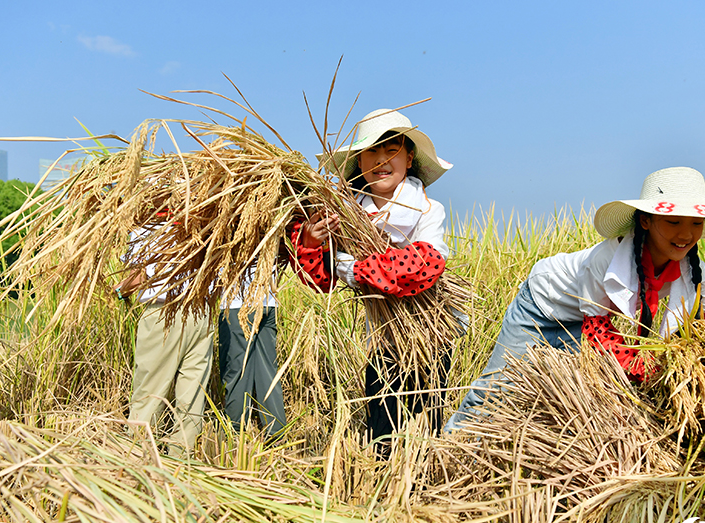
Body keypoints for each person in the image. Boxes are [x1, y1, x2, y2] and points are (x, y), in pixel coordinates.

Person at [445, 167, 705, 431]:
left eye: (695, 223)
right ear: (646, 220)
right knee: (498, 387)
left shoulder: (693, 268)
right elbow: (599, 335)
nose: (686, 234)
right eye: (674, 221)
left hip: (586, 320)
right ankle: (446, 450)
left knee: (563, 401)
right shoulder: (607, 258)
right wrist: (651, 369)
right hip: (542, 306)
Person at [291, 108, 454, 454]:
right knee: (382, 431)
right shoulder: (345, 215)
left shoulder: (427, 210)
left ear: (409, 159)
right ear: (359, 161)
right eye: (372, 151)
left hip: (428, 338)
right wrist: (312, 241)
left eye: (391, 149)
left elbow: (426, 263)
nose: (382, 159)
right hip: (381, 341)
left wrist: (358, 271)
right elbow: (319, 280)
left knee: (426, 428)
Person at [118, 222, 215, 457]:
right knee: (192, 396)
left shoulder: (148, 228)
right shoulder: (208, 220)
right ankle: (181, 462)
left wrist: (119, 291)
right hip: (201, 312)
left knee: (150, 391)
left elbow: (141, 277)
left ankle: (138, 458)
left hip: (164, 313)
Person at [218, 267, 284, 437]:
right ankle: (276, 436)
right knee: (268, 372)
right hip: (268, 303)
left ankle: (234, 436)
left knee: (237, 373)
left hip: (237, 304)